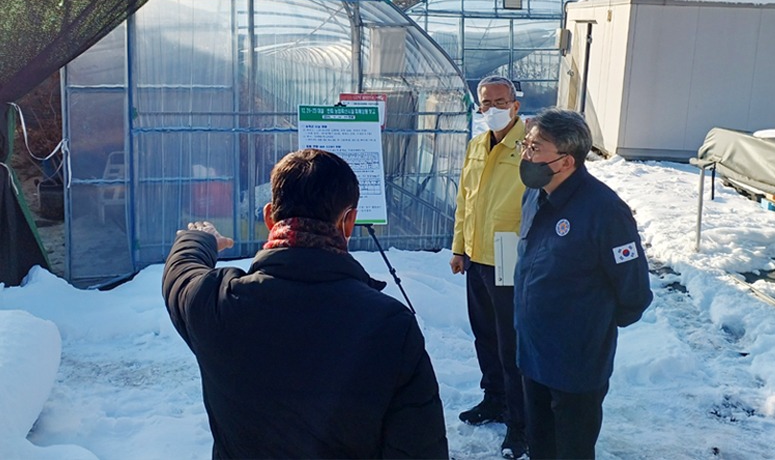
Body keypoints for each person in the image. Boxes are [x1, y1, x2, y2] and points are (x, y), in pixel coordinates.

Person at [162, 148, 448, 459]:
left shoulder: (217, 303)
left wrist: (201, 238)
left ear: (270, 217)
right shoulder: (391, 326)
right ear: (349, 221)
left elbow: (180, 272)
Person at [514, 108, 653, 459]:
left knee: (572, 448)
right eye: (526, 145)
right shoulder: (534, 195)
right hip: (533, 349)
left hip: (577, 359)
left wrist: (592, 325)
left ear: (566, 161)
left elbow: (633, 289)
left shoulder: (604, 210)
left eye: (535, 148)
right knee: (540, 442)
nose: (526, 154)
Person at [450, 75, 527, 459]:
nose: (492, 110)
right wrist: (459, 248)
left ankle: (521, 422)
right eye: (486, 103)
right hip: (477, 254)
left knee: (512, 342)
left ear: (515, 104)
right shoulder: (477, 145)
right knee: (485, 335)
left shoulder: (530, 145)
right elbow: (466, 199)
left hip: (511, 253)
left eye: (500, 102)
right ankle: (493, 399)